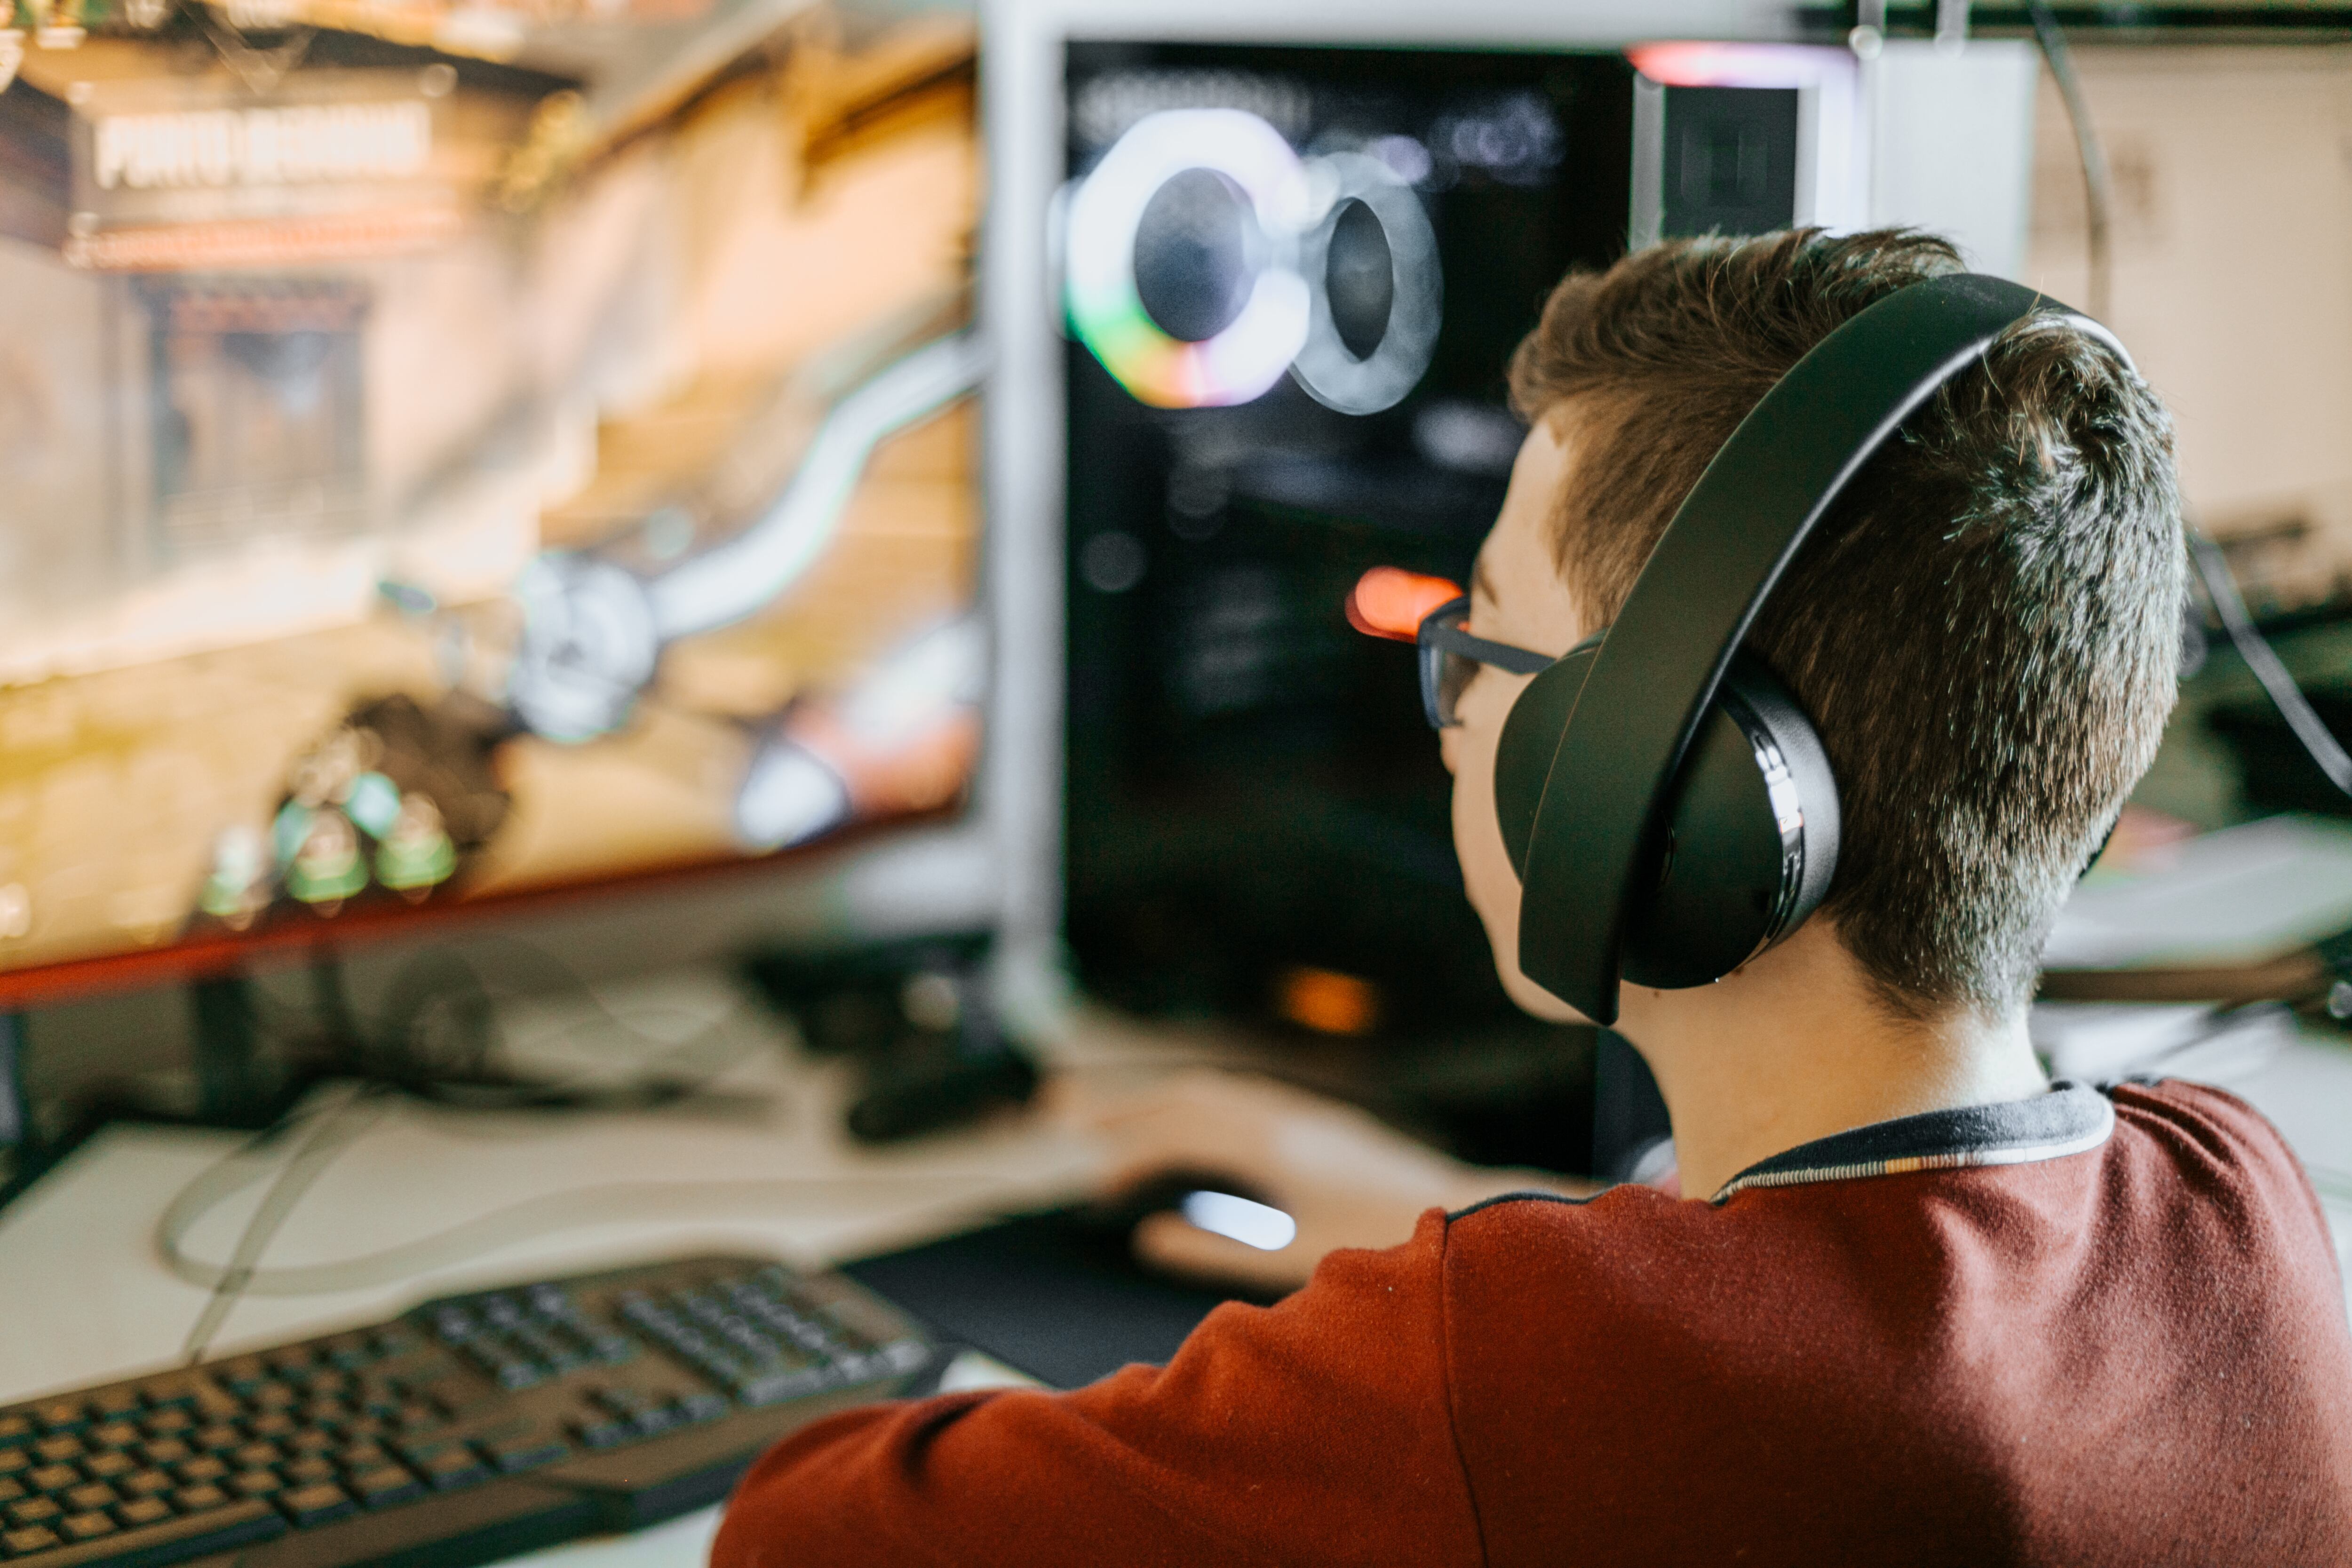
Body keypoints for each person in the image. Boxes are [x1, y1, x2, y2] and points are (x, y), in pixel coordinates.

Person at [711, 230, 2352, 1565]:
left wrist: (1433, 1327)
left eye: (1481, 646)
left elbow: (800, 1538)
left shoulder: (1517, 1375)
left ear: (1666, 774)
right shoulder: (2239, 1201)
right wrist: (1432, 1210)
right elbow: (1812, 1310)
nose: (1446, 720)